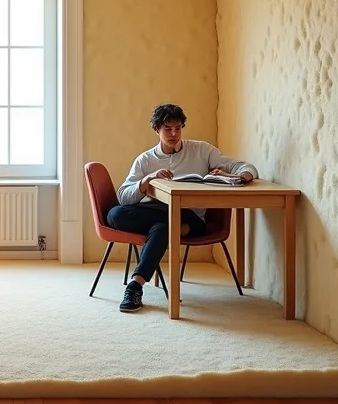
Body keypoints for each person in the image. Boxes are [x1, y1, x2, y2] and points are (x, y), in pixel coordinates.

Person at [108, 103, 258, 313]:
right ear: (156, 129)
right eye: (167, 129)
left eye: (178, 128)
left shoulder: (202, 150)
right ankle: (136, 285)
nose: (174, 134)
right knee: (118, 215)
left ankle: (134, 288)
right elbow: (124, 196)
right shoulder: (145, 160)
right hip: (160, 214)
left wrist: (241, 177)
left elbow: (245, 167)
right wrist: (148, 180)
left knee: (160, 227)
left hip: (191, 218)